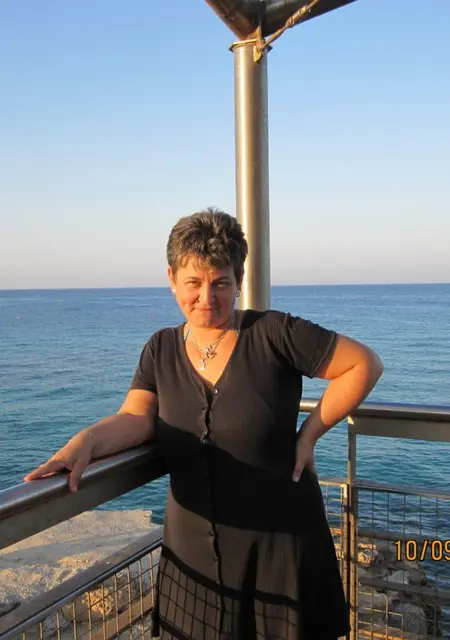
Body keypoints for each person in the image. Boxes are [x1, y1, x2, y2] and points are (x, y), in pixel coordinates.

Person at [25, 208, 383, 640]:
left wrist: (309, 435)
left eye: (221, 283)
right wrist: (86, 441)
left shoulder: (274, 333)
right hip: (193, 556)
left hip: (281, 551)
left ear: (239, 280)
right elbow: (136, 417)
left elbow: (364, 364)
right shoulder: (160, 349)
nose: (206, 298)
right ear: (172, 278)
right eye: (193, 282)